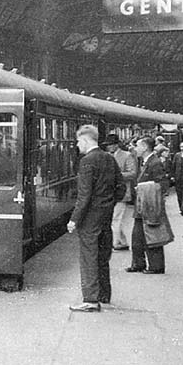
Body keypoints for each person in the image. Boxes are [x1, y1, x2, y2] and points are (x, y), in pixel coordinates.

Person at [67, 125, 124, 312]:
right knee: (102, 256)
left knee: (89, 257)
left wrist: (74, 220)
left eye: (78, 141)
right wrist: (108, 205)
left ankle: (91, 300)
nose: (77, 145)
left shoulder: (86, 161)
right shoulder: (109, 158)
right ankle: (104, 295)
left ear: (84, 140)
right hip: (105, 216)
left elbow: (84, 196)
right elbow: (121, 188)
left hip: (90, 218)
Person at [127, 136, 169, 274]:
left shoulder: (155, 163)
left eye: (138, 146)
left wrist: (143, 187)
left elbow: (162, 184)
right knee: (137, 236)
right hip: (142, 204)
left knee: (152, 234)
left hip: (150, 205)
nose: (135, 149)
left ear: (145, 147)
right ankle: (138, 263)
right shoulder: (145, 161)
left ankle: (156, 266)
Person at [103, 133, 136, 251]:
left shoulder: (127, 156)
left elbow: (132, 173)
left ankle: (115, 243)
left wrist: (117, 175)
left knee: (116, 218)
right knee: (115, 218)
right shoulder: (106, 156)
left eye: (111, 145)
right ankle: (123, 242)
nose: (109, 147)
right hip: (109, 192)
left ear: (117, 145)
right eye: (107, 145)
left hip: (121, 192)